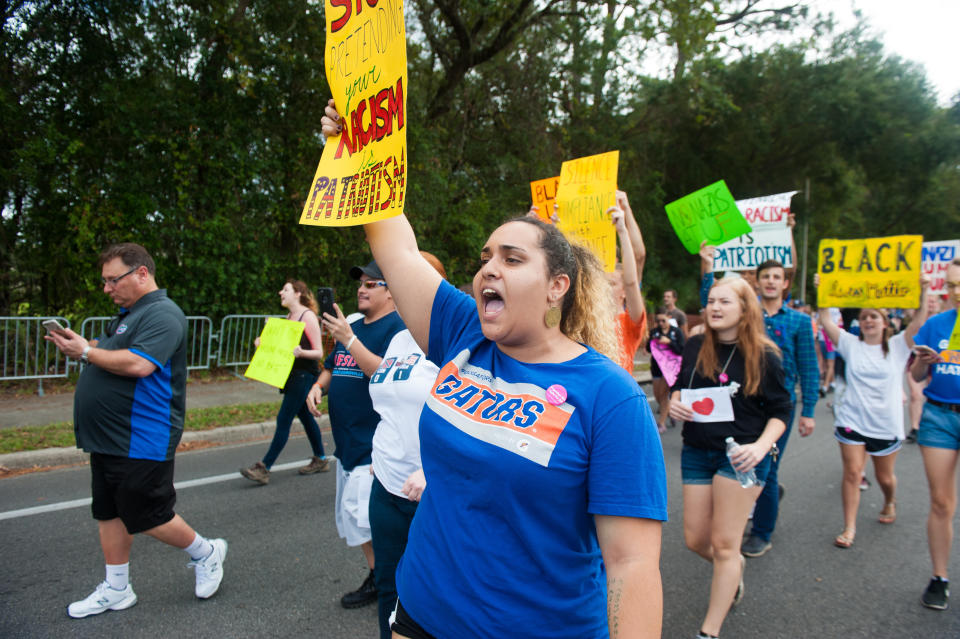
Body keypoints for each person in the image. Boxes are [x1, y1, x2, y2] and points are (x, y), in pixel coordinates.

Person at [44, 243, 227, 618]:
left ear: (141, 273)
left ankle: (207, 552)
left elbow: (140, 364)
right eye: (105, 281)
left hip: (143, 434)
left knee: (149, 516)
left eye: (113, 280)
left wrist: (86, 353)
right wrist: (84, 346)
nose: (107, 289)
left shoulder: (164, 314)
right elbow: (111, 351)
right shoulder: (129, 314)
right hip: (109, 436)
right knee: (108, 511)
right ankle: (116, 588)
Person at [309, 251, 445, 639]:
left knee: (431, 590)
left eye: (403, 278)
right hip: (386, 483)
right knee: (389, 586)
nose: (366, 288)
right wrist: (382, 455)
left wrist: (432, 468)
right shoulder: (401, 338)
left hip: (430, 490)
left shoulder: (457, 339)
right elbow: (385, 393)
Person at [669, 276, 792, 639]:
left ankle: (709, 631)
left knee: (724, 543)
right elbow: (680, 388)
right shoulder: (695, 344)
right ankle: (732, 567)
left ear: (744, 309)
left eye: (725, 302)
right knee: (695, 540)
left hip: (741, 457)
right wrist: (675, 404)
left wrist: (760, 447)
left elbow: (781, 410)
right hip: (696, 451)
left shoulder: (765, 354)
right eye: (711, 301)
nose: (715, 308)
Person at [311, 260, 406, 609]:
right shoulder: (350, 324)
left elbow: (386, 374)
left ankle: (390, 587)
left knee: (371, 522)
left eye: (372, 284)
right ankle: (380, 575)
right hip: (347, 443)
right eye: (361, 284)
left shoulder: (399, 330)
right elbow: (334, 364)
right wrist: (318, 387)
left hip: (374, 445)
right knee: (355, 521)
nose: (361, 289)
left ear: (392, 291)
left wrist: (348, 339)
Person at [816, 275, 929, 549]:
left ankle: (890, 499)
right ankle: (849, 527)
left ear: (884, 322)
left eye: (874, 317)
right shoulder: (850, 344)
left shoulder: (900, 345)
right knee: (853, 473)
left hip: (885, 424)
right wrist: (823, 293)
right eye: (864, 317)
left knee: (884, 478)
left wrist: (923, 291)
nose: (868, 321)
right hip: (851, 420)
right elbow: (827, 321)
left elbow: (919, 321)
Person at [740, 259, 819, 557]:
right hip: (746, 405)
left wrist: (809, 411)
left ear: (785, 283)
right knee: (743, 465)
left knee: (767, 471)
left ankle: (762, 532)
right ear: (757, 282)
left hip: (779, 409)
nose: (771, 281)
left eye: (777, 277)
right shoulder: (747, 315)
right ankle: (753, 507)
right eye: (766, 277)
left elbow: (809, 368)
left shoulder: (798, 321)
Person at [240, 280, 329, 484]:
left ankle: (264, 468)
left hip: (304, 376)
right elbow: (283, 349)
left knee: (284, 419)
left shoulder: (308, 317)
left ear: (298, 293)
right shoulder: (290, 317)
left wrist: (302, 352)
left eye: (286, 289)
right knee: (306, 417)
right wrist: (263, 344)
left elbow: (319, 352)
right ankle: (321, 459)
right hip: (292, 376)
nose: (281, 292)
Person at [911, 257, 960, 610]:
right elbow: (914, 377)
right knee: (941, 501)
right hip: (939, 417)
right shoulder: (935, 324)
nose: (956, 292)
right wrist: (921, 363)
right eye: (952, 284)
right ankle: (939, 577)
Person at [608, 191, 648, 373]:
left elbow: (638, 256)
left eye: (611, 284)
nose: (602, 288)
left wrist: (623, 225)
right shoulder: (583, 318)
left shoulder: (628, 320)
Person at [906, 293, 945, 443]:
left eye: (934, 301)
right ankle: (915, 427)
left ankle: (931, 422)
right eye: (928, 300)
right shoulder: (918, 318)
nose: (931, 303)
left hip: (939, 360)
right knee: (916, 394)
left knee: (931, 392)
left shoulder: (946, 320)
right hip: (916, 358)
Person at [647, 308, 685, 432]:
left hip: (670, 369)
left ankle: (661, 423)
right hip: (657, 368)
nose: (661, 323)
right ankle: (668, 412)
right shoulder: (654, 332)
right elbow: (648, 348)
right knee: (658, 395)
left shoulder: (676, 332)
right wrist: (652, 340)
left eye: (663, 320)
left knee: (663, 395)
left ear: (669, 317)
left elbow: (681, 350)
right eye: (658, 321)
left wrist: (669, 342)